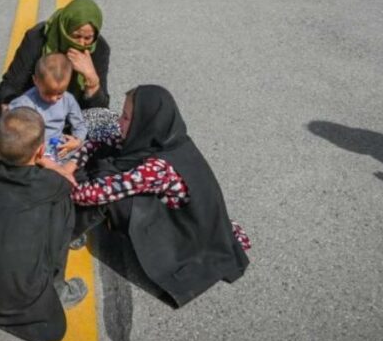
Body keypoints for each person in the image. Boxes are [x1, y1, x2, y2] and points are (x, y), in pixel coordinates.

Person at [63, 86, 250, 307]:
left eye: (126, 117)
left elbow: (94, 194)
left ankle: (66, 231)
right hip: (194, 220)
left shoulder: (157, 168)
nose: (119, 122)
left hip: (183, 237)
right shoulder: (166, 139)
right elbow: (101, 143)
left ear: (144, 122)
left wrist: (61, 183)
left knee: (108, 193)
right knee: (105, 159)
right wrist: (74, 163)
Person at [0, 108, 87, 341]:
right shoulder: (49, 183)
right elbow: (69, 183)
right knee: (63, 206)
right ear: (40, 150)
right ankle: (58, 288)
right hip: (21, 297)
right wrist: (53, 165)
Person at [0, 0, 110, 151]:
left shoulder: (100, 49)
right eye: (76, 36)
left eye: (87, 38)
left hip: (70, 114)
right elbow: (11, 84)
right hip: (32, 110)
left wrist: (91, 79)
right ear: (64, 28)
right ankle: (26, 146)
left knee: (107, 125)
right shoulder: (38, 37)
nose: (81, 43)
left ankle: (32, 148)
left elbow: (100, 107)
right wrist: (13, 120)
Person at [9, 53, 88, 164]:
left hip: (59, 148)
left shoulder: (68, 99)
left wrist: (77, 140)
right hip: (34, 153)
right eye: (48, 93)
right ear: (36, 81)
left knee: (88, 148)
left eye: (60, 93)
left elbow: (79, 124)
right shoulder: (25, 103)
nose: (54, 99)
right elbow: (10, 129)